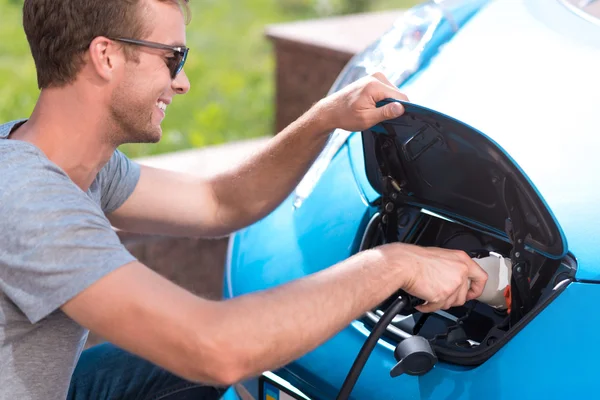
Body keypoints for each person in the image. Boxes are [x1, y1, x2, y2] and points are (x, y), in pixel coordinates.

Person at [0, 0, 488, 399]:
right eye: (172, 58)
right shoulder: (28, 201)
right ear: (105, 56)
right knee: (213, 354)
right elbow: (214, 346)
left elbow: (219, 203)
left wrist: (323, 117)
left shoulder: (67, 162)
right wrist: (394, 264)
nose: (182, 82)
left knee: (217, 365)